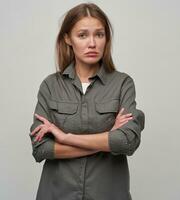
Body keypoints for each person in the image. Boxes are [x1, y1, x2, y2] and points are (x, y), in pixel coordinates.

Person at [29, 3, 145, 200]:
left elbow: (126, 142)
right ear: (68, 39)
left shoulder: (122, 83)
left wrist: (66, 138)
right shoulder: (51, 86)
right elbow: (41, 149)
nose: (92, 43)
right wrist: (108, 136)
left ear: (106, 39)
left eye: (99, 34)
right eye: (82, 35)